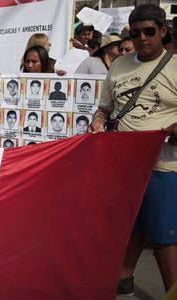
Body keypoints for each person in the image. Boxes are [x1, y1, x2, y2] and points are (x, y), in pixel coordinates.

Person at [88, 5, 177, 295]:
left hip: (163, 165)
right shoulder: (119, 64)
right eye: (136, 33)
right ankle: (123, 277)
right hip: (124, 163)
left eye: (149, 31)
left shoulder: (175, 67)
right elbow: (104, 107)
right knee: (129, 224)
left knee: (164, 235)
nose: (142, 38)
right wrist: (98, 121)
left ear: (163, 31)